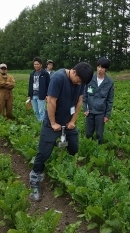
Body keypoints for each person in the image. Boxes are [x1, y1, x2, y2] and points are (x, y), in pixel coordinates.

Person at [29, 62, 93, 201]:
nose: (79, 84)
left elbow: (80, 101)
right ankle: (35, 177)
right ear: (74, 72)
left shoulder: (81, 81)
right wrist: (53, 123)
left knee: (74, 147)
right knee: (44, 152)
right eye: (79, 81)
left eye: (82, 82)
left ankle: (69, 170)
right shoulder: (58, 78)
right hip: (53, 122)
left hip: (68, 122)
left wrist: (73, 121)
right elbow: (51, 101)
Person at [83, 57, 114, 144]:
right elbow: (85, 95)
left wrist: (107, 115)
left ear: (106, 69)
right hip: (90, 111)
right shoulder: (90, 79)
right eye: (98, 66)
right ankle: (89, 148)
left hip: (101, 112)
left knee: (99, 134)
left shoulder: (109, 82)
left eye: (102, 67)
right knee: (88, 133)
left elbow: (110, 100)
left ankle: (99, 148)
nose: (100, 69)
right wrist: (85, 108)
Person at [27, 57, 50, 122]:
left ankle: (42, 124)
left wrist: (47, 95)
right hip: (33, 95)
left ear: (41, 65)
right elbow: (30, 85)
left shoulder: (45, 74)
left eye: (37, 64)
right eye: (35, 64)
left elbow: (49, 85)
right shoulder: (32, 74)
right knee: (36, 111)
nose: (36, 66)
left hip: (41, 95)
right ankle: (38, 122)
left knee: (41, 111)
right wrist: (29, 95)